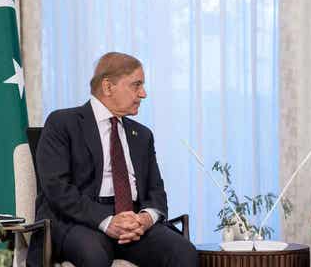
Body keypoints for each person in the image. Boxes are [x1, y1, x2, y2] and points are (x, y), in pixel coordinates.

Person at [27, 52, 198, 267]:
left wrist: (145, 218)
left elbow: (156, 191)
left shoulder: (142, 135)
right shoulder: (63, 123)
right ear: (108, 87)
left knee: (184, 252)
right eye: (136, 85)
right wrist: (106, 221)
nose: (143, 93)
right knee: (94, 256)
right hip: (81, 221)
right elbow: (57, 188)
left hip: (133, 223)